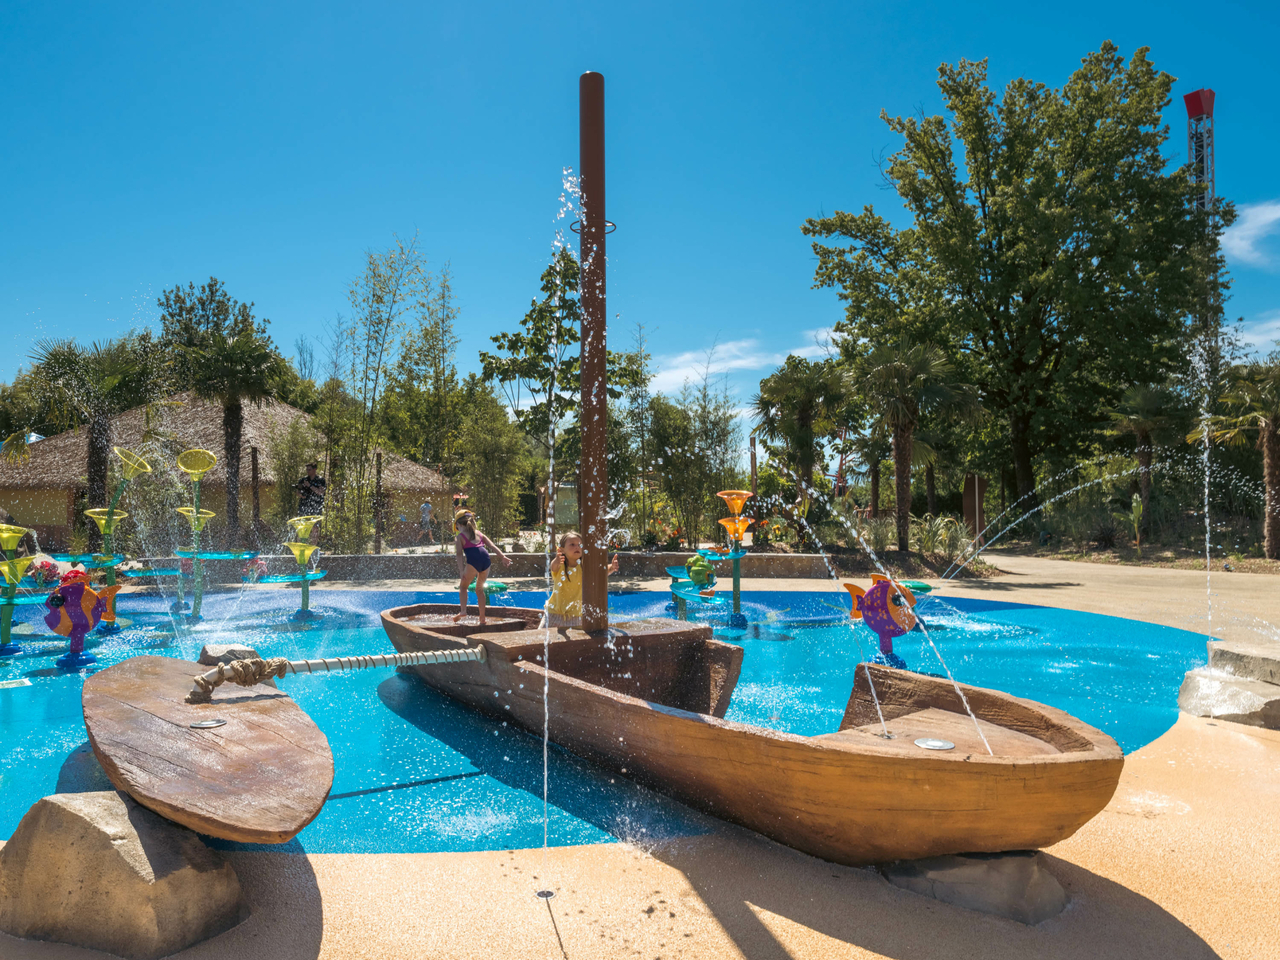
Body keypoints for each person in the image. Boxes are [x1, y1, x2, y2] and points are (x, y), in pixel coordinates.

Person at [543, 531, 619, 629]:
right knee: (541, 641)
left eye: (580, 545)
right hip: (554, 613)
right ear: (562, 550)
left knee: (576, 642)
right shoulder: (560, 565)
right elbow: (553, 567)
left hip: (576, 615)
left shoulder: (585, 567)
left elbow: (600, 573)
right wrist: (557, 560)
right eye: (572, 544)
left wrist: (612, 567)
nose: (577, 547)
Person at [452, 509, 511, 625]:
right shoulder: (479, 533)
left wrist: (461, 571)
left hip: (473, 560)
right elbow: (492, 545)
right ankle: (482, 619)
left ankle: (463, 611)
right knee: (480, 589)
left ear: (458, 525)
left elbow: (459, 555)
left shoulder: (460, 537)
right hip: (486, 559)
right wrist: (503, 557)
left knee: (463, 587)